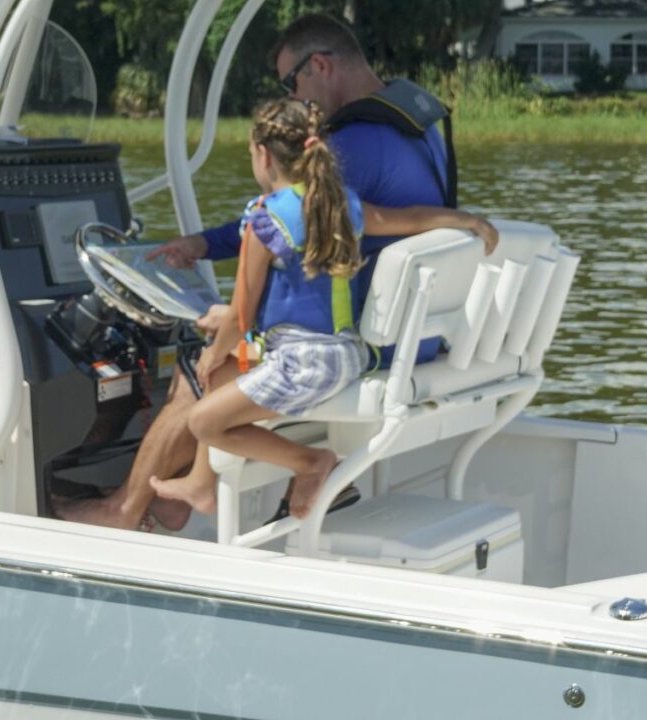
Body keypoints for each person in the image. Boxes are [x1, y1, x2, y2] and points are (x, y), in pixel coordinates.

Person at [56, 13, 493, 531]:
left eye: (292, 82)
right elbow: (311, 219)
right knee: (220, 354)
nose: (297, 96)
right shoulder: (411, 130)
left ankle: (123, 509)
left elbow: (273, 224)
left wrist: (228, 317)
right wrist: (202, 244)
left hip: (364, 341)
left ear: (321, 66)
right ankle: (185, 492)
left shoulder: (348, 150)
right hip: (408, 332)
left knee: (203, 368)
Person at [149, 99, 496, 518]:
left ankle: (311, 463)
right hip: (345, 354)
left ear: (263, 155)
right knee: (223, 376)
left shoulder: (265, 222)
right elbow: (411, 217)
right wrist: (466, 221)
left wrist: (211, 350)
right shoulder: (341, 205)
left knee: (202, 420)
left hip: (304, 363)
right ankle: (202, 485)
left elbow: (242, 314)